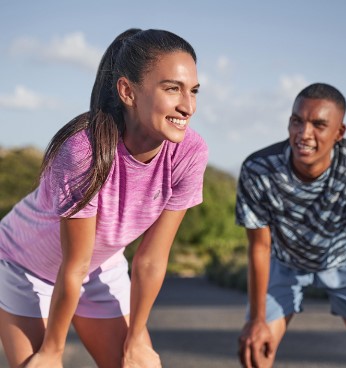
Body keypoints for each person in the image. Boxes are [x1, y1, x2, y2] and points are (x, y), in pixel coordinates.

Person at [0, 28, 208, 368]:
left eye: (194, 91)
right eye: (172, 88)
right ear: (127, 91)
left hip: (99, 266)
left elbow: (151, 260)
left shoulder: (190, 153)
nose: (187, 106)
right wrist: (52, 352)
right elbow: (74, 264)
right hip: (25, 265)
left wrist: (136, 338)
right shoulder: (84, 151)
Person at [236, 83, 346, 367]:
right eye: (297, 121)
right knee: (255, 351)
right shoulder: (258, 169)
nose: (304, 134)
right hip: (285, 260)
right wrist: (256, 320)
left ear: (339, 133)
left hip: (345, 260)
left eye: (319, 124)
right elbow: (260, 247)